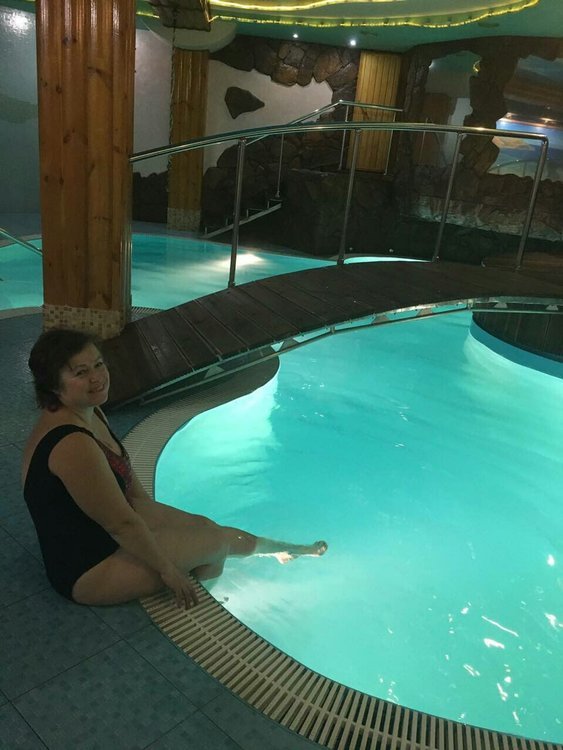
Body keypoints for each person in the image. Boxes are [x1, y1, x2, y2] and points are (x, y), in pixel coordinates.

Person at [22, 328, 327, 610]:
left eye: (99, 364)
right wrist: (168, 569)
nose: (97, 377)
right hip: (88, 569)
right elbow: (121, 525)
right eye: (81, 372)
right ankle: (203, 609)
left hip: (103, 531)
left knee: (207, 528)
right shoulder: (72, 444)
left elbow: (129, 491)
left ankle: (285, 549)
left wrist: (170, 530)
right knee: (217, 545)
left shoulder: (89, 411)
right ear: (52, 385)